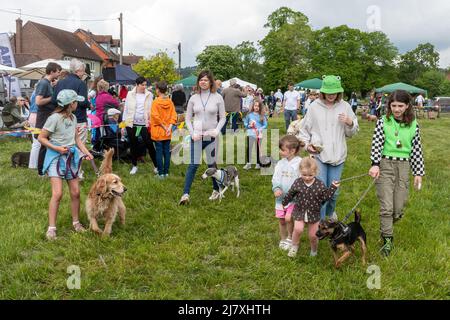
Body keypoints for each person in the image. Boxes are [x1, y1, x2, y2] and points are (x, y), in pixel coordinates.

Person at [369, 90, 425, 256]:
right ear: (389, 106)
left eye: (400, 105)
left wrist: (418, 173)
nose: (397, 109)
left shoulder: (414, 124)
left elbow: (416, 150)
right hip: (385, 165)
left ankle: (387, 226)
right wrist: (375, 164)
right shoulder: (383, 121)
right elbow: (376, 143)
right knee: (386, 207)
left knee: (397, 210)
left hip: (403, 167)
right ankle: (387, 239)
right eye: (393, 105)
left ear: (407, 106)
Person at [299, 75, 359, 220]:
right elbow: (303, 130)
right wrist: (307, 146)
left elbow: (352, 133)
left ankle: (330, 212)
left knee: (334, 192)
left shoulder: (345, 106)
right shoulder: (314, 107)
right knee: (321, 191)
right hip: (319, 156)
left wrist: (350, 122)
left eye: (334, 92)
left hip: (338, 156)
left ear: (339, 92)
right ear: (323, 91)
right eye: (328, 92)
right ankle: (319, 223)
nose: (331, 95)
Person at [38, 90, 93, 240]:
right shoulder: (53, 118)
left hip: (70, 157)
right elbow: (41, 138)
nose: (78, 104)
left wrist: (86, 152)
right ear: (70, 104)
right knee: (58, 194)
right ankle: (51, 228)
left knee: (75, 192)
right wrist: (56, 148)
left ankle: (76, 223)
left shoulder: (74, 117)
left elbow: (77, 140)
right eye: (76, 101)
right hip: (55, 157)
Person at [179, 70, 226, 205]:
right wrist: (192, 132)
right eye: (201, 80)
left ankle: (216, 189)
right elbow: (188, 119)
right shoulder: (194, 98)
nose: (203, 82)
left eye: (206, 80)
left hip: (211, 136)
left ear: (211, 82)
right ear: (198, 82)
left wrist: (217, 130)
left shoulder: (218, 97)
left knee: (211, 163)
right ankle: (185, 194)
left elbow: (223, 117)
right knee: (193, 165)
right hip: (197, 136)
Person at [282, 157, 340, 257]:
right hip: (300, 211)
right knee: (298, 229)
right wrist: (285, 202)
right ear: (300, 171)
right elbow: (290, 193)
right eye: (304, 175)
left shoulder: (319, 184)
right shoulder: (298, 182)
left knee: (313, 235)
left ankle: (314, 250)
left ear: (315, 172)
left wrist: (333, 187)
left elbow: (325, 196)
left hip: (314, 213)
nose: (307, 177)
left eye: (310, 175)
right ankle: (294, 246)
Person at [272, 135, 304, 251]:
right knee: (281, 220)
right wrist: (276, 188)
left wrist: (299, 193)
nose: (280, 152)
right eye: (280, 149)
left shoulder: (300, 163)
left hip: (293, 199)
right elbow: (275, 178)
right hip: (280, 199)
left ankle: (291, 237)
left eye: (283, 150)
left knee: (289, 219)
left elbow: (302, 179)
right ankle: (283, 238)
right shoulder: (280, 163)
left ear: (292, 151)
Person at [123, 76, 157, 175]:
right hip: (132, 124)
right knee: (133, 145)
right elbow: (126, 109)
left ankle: (156, 166)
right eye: (142, 85)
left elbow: (151, 109)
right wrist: (124, 123)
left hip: (144, 124)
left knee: (149, 144)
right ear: (137, 85)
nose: (144, 86)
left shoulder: (149, 95)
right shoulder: (130, 94)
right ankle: (134, 166)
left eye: (145, 85)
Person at [35, 62, 62, 176]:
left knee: (47, 145)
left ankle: (46, 169)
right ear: (52, 72)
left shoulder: (48, 83)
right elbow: (38, 101)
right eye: (58, 72)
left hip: (48, 117)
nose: (59, 74)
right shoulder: (43, 83)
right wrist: (52, 98)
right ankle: (41, 171)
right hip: (43, 118)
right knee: (44, 144)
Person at [150, 81, 177, 179]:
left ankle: (161, 174)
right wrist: (169, 127)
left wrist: (164, 126)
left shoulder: (155, 102)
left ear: (157, 90)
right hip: (167, 132)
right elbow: (174, 115)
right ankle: (166, 172)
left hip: (158, 131)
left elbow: (155, 116)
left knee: (159, 152)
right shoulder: (170, 101)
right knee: (166, 152)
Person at [243, 99, 268, 170]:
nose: (256, 107)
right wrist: (248, 126)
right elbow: (245, 123)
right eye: (255, 106)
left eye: (258, 106)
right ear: (253, 106)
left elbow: (265, 125)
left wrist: (259, 129)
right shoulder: (249, 115)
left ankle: (258, 163)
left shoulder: (262, 115)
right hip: (250, 134)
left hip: (258, 134)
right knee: (249, 148)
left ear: (260, 107)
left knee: (257, 149)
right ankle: (248, 163)